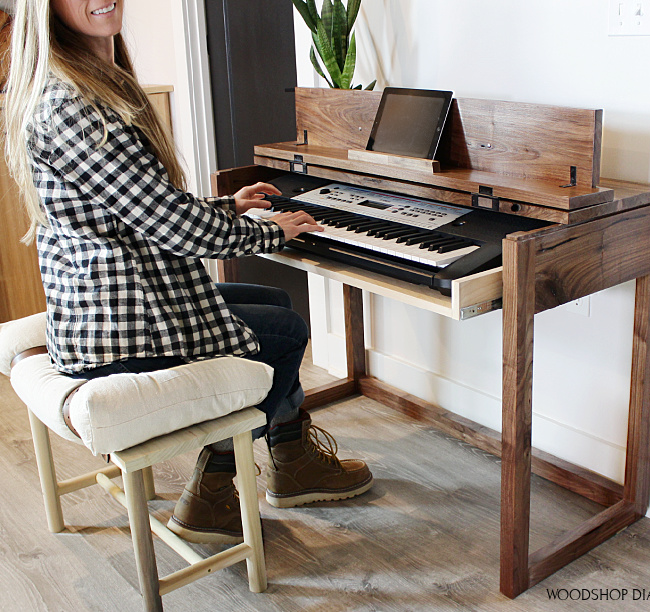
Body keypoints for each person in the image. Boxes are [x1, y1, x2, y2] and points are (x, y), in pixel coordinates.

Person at [4, 0, 373, 545]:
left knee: (272, 300)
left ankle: (292, 458)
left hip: (121, 298)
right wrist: (274, 230)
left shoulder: (90, 83)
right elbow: (175, 229)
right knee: (287, 332)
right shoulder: (72, 103)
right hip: (119, 328)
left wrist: (232, 205)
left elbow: (140, 210)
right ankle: (215, 489)